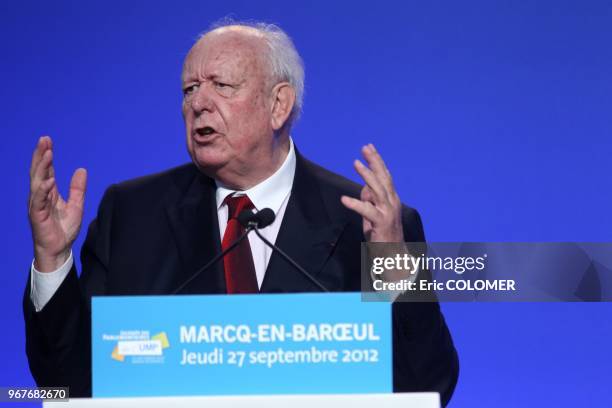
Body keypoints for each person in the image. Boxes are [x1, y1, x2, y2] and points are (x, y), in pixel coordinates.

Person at [25, 21, 459, 405]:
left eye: (222, 85)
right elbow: (65, 383)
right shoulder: (132, 215)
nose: (198, 104)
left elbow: (428, 383)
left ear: (278, 105)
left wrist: (391, 267)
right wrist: (53, 261)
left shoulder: (363, 223)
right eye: (190, 89)